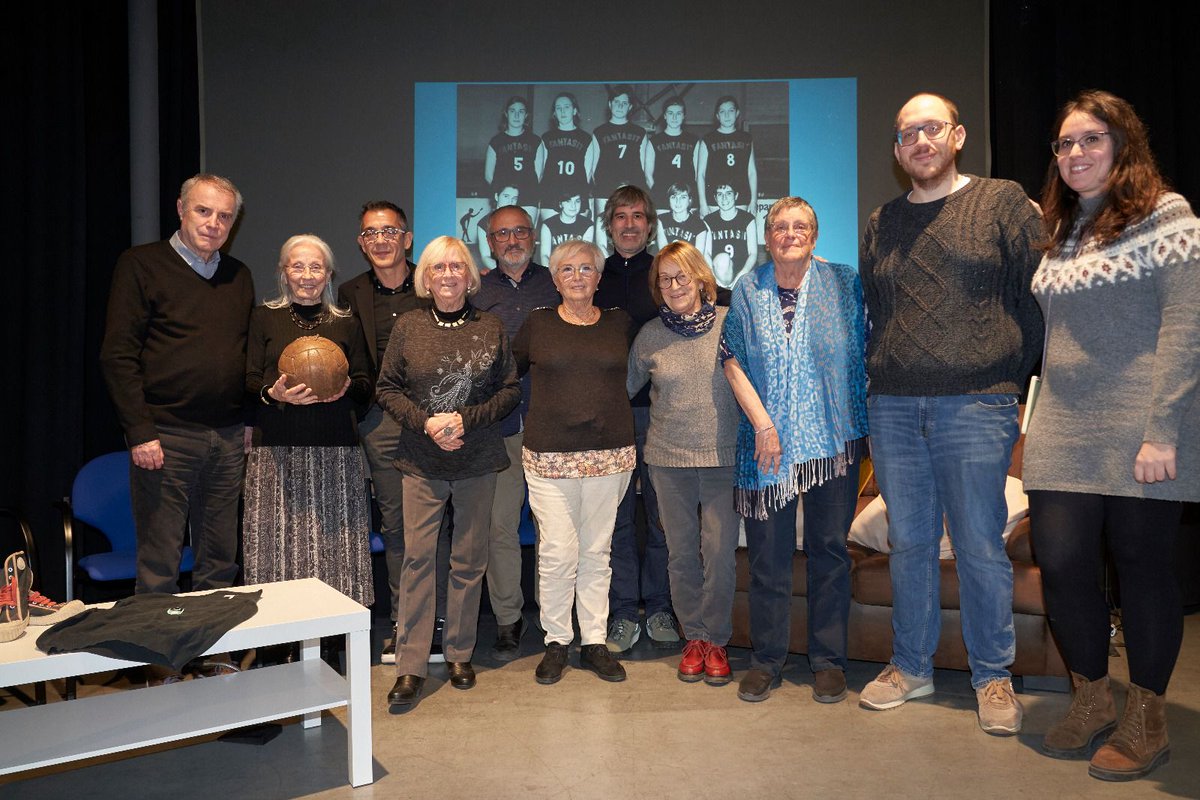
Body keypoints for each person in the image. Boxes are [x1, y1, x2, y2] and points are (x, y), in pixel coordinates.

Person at [1023, 90, 1200, 781]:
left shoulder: (1167, 215)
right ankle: (1093, 697)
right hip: (1061, 423)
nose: (1075, 153)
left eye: (1090, 139)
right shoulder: (1060, 228)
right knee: (1063, 564)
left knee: (1142, 568)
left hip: (1140, 424)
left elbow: (1186, 328)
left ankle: (1146, 718)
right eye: (1065, 143)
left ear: (1123, 144)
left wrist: (1164, 432)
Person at [858, 93, 1043, 734]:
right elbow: (880, 310)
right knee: (910, 543)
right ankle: (911, 667)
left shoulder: (1001, 202)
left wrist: (1006, 376)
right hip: (893, 407)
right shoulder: (881, 221)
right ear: (897, 148)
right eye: (907, 133)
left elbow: (1036, 298)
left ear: (957, 136)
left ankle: (992, 676)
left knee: (978, 546)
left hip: (977, 404)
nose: (920, 141)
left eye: (932, 128)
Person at [720, 197, 867, 703]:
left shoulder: (843, 283)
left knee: (829, 552)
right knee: (768, 558)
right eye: (780, 227)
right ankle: (766, 660)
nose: (790, 234)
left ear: (815, 236)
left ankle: (828, 661)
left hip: (833, 439)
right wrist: (764, 425)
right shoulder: (748, 288)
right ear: (767, 239)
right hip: (766, 446)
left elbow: (865, 349)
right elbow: (732, 361)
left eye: (800, 226)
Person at [378, 236, 520, 708]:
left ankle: (459, 653)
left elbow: (509, 390)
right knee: (419, 561)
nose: (447, 275)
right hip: (422, 461)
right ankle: (411, 664)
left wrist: (465, 420)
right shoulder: (408, 326)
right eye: (438, 267)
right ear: (426, 276)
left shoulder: (491, 326)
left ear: (470, 276)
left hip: (477, 460)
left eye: (457, 266)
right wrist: (427, 423)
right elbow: (387, 388)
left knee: (468, 560)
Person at [100, 173, 254, 595]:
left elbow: (245, 355)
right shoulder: (140, 264)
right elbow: (117, 355)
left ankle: (213, 641)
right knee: (159, 562)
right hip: (165, 437)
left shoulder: (239, 275)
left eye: (224, 216)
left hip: (227, 439)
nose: (213, 223)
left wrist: (248, 421)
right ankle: (158, 642)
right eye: (204, 211)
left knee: (220, 562)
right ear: (181, 210)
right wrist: (140, 431)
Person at [513, 239, 636, 685]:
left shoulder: (620, 323)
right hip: (549, 458)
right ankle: (557, 641)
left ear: (599, 278)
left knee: (596, 551)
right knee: (558, 552)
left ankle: (594, 641)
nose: (577, 276)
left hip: (610, 455)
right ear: (554, 278)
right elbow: (507, 374)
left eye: (586, 269)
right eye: (567, 269)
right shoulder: (538, 323)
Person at [338, 201, 450, 665]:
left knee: (435, 525)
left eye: (389, 231)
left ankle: (439, 623)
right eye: (371, 233)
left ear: (407, 237)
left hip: (431, 419)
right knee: (397, 528)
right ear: (361, 243)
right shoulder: (349, 292)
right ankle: (406, 623)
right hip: (381, 422)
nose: (380, 240)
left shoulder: (434, 282)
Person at [627, 241, 740, 685]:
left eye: (681, 276)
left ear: (700, 278)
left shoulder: (731, 323)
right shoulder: (650, 335)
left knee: (719, 554)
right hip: (667, 461)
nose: (674, 286)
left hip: (722, 457)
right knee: (680, 555)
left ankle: (717, 640)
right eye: (665, 280)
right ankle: (694, 637)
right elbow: (623, 389)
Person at [243, 235, 374, 605]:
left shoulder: (346, 323)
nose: (307, 275)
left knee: (337, 550)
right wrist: (274, 394)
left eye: (316, 267)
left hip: (336, 451)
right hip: (276, 452)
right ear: (284, 273)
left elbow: (366, 385)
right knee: (277, 548)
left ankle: (336, 624)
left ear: (328, 274)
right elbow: (250, 380)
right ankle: (279, 625)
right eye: (297, 266)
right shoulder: (263, 317)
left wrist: (346, 387)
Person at [593, 185, 679, 654]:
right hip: (609, 417)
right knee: (619, 521)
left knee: (663, 519)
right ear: (609, 225)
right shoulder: (594, 276)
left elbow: (711, 292)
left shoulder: (664, 275)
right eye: (621, 216)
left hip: (663, 415)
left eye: (638, 216)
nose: (629, 224)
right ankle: (624, 612)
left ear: (650, 225)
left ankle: (662, 606)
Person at [473, 206, 561, 660]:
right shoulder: (476, 291)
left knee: (555, 528)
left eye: (520, 231)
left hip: (552, 425)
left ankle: (555, 619)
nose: (512, 240)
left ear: (534, 236)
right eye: (502, 234)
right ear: (490, 243)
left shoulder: (558, 282)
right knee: (500, 526)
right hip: (500, 427)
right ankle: (508, 618)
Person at [536, 92, 596, 224]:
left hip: (576, 195)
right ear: (554, 113)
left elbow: (587, 174)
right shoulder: (546, 138)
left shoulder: (586, 138)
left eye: (567, 107)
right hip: (551, 195)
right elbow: (541, 171)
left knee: (576, 237)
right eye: (559, 108)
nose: (563, 112)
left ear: (574, 110)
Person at [697, 96, 756, 217]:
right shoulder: (708, 139)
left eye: (731, 111)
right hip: (714, 198)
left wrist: (754, 200)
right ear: (717, 116)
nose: (727, 115)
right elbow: (700, 174)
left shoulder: (746, 138)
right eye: (722, 112)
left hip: (741, 197)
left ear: (737, 113)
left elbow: (752, 172)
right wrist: (703, 204)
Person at [484, 95, 540, 222]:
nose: (516, 115)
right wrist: (503, 194)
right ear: (506, 113)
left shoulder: (535, 141)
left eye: (521, 112)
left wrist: (528, 191)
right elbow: (488, 175)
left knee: (525, 232)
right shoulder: (496, 141)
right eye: (512, 111)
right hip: (505, 198)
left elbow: (539, 174)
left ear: (526, 115)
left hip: (528, 198)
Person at [592, 86, 647, 212]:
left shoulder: (640, 132)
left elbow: (643, 166)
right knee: (604, 223)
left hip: (632, 187)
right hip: (605, 189)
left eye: (624, 103)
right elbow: (594, 167)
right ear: (610, 104)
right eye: (616, 102)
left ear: (630, 107)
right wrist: (601, 184)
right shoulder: (599, 132)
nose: (620, 106)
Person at [644, 96, 700, 212]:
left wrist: (689, 195)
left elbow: (698, 174)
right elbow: (648, 175)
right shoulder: (654, 141)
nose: (674, 117)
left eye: (678, 113)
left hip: (686, 197)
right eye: (670, 113)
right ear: (664, 116)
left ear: (684, 116)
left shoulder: (693, 140)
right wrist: (659, 193)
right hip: (662, 199)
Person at [704, 183, 757, 287]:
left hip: (744, 270)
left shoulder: (748, 219)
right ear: (715, 198)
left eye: (728, 193)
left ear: (736, 196)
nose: (724, 198)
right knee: (723, 259)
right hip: (720, 271)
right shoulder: (709, 220)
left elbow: (753, 254)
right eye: (720, 194)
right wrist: (715, 280)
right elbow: (706, 254)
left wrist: (740, 276)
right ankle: (724, 290)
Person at [655, 183, 712, 261]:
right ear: (669, 200)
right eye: (673, 197)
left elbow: (697, 256)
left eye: (683, 197)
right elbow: (663, 251)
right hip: (667, 262)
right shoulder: (661, 220)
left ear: (689, 200)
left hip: (688, 264)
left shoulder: (699, 225)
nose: (678, 201)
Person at [539, 191, 594, 265]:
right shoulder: (548, 225)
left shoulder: (587, 225)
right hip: (554, 267)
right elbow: (545, 255)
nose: (573, 206)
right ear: (560, 204)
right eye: (568, 201)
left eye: (577, 201)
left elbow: (584, 255)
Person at [476, 185, 522, 271]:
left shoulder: (522, 221)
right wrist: (506, 272)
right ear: (496, 196)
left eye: (514, 198)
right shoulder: (484, 223)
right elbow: (485, 257)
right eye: (506, 196)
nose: (510, 201)